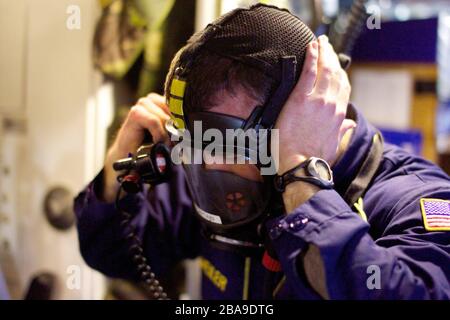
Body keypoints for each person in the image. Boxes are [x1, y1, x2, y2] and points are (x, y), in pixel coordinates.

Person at [74, 4, 450, 299]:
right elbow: (114, 254)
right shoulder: (221, 179)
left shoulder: (416, 198)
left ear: (300, 116)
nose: (207, 163)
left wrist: (301, 173)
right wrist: (115, 177)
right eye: (196, 142)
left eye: (224, 144)